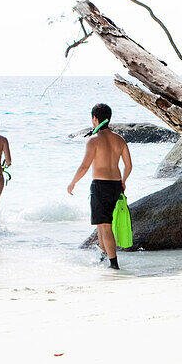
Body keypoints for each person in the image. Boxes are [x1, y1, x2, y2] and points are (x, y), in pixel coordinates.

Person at [68, 103, 132, 269]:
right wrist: (123, 181)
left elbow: (84, 167)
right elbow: (129, 165)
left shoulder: (93, 141)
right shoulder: (120, 139)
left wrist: (73, 183)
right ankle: (104, 258)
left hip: (101, 186)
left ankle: (113, 263)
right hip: (116, 186)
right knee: (101, 225)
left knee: (105, 225)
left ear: (95, 119)